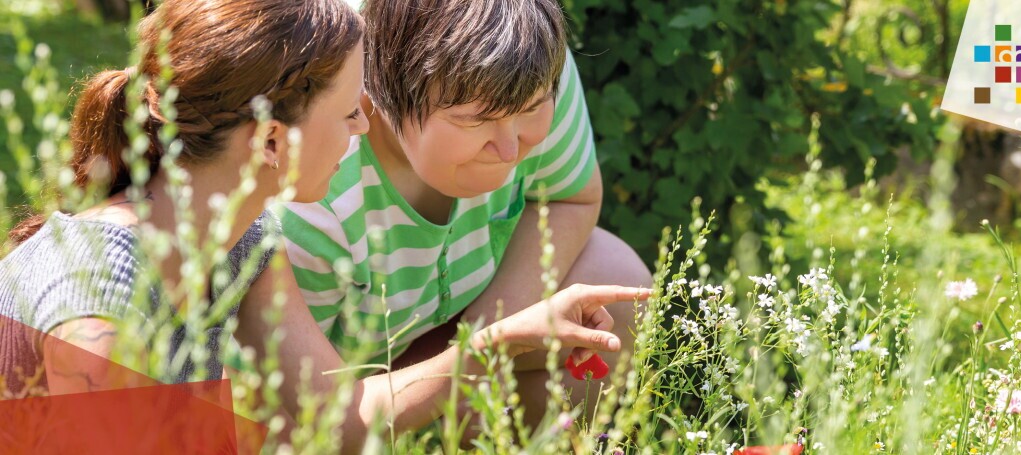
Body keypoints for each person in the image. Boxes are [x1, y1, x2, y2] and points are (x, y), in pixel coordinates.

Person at [0, 0, 645, 451]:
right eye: (348, 114)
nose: (364, 128)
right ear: (271, 141)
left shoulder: (244, 242)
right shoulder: (98, 285)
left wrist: (500, 341)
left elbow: (344, 422)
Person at [280, 0, 653, 425]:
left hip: (460, 318)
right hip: (340, 390)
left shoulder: (527, 60)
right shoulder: (310, 192)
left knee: (616, 281)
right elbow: (297, 409)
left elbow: (570, 198)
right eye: (477, 119)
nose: (510, 150)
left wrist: (482, 344)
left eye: (532, 108)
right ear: (377, 94)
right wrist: (460, 369)